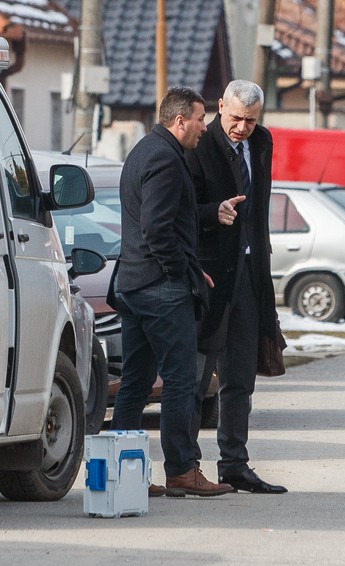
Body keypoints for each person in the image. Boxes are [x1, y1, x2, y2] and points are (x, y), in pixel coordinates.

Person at [109, 86, 233, 498]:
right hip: (160, 289)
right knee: (181, 379)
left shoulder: (146, 150)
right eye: (200, 118)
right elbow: (156, 228)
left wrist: (207, 212)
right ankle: (183, 469)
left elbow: (168, 215)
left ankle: (126, 475)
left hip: (133, 284)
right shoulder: (164, 158)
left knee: (136, 382)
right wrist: (183, 273)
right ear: (179, 120)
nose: (204, 126)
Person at [185, 80, 287, 494]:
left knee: (241, 378)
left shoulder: (262, 142)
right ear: (219, 106)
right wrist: (214, 213)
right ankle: (185, 465)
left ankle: (234, 464)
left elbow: (259, 210)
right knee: (195, 378)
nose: (242, 127)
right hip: (210, 277)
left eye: (250, 120)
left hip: (251, 275)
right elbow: (183, 207)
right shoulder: (199, 145)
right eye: (235, 118)